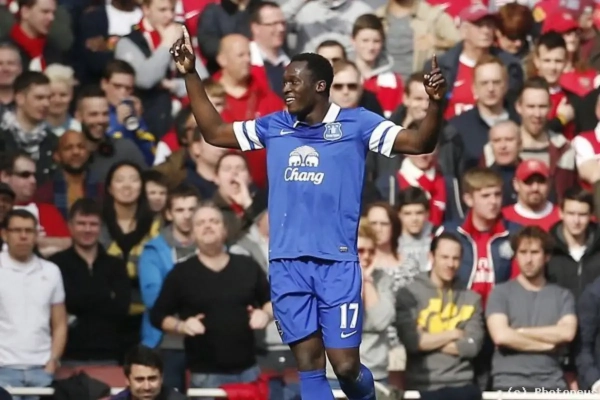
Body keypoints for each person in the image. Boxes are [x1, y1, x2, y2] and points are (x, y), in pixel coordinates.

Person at [170, 25, 446, 400]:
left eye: (293, 82)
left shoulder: (358, 123)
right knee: (309, 364)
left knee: (345, 367)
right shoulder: (275, 126)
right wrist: (190, 74)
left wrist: (435, 104)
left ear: (319, 86)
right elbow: (215, 132)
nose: (285, 88)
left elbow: (420, 142)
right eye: (284, 81)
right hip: (287, 264)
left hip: (337, 263)